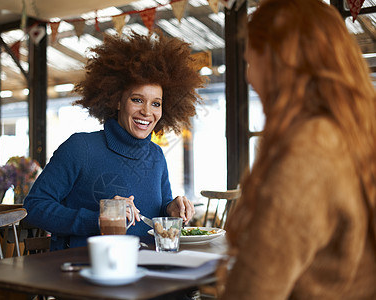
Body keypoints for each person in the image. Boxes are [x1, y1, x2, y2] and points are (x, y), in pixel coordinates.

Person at [219, 0, 376, 299]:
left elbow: (254, 290)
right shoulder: (358, 131)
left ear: (283, 62)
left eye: (253, 62)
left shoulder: (310, 150)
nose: (249, 77)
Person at [23, 31, 205, 250]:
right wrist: (98, 219)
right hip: (86, 270)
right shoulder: (80, 148)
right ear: (118, 101)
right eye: (137, 100)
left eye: (156, 103)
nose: (147, 112)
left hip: (148, 267)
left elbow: (159, 207)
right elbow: (34, 207)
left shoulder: (155, 155)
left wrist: (171, 208)